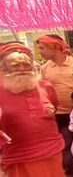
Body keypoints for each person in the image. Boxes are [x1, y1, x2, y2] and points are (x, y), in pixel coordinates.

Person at [0, 42, 64, 177]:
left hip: (51, 151)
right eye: (15, 65)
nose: (22, 68)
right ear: (4, 69)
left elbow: (54, 108)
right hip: (20, 156)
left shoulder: (46, 86)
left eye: (26, 64)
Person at [37, 34, 73, 177]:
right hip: (55, 115)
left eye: (42, 48)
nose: (40, 51)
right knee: (63, 146)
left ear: (54, 47)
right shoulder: (44, 68)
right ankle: (69, 171)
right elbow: (41, 91)